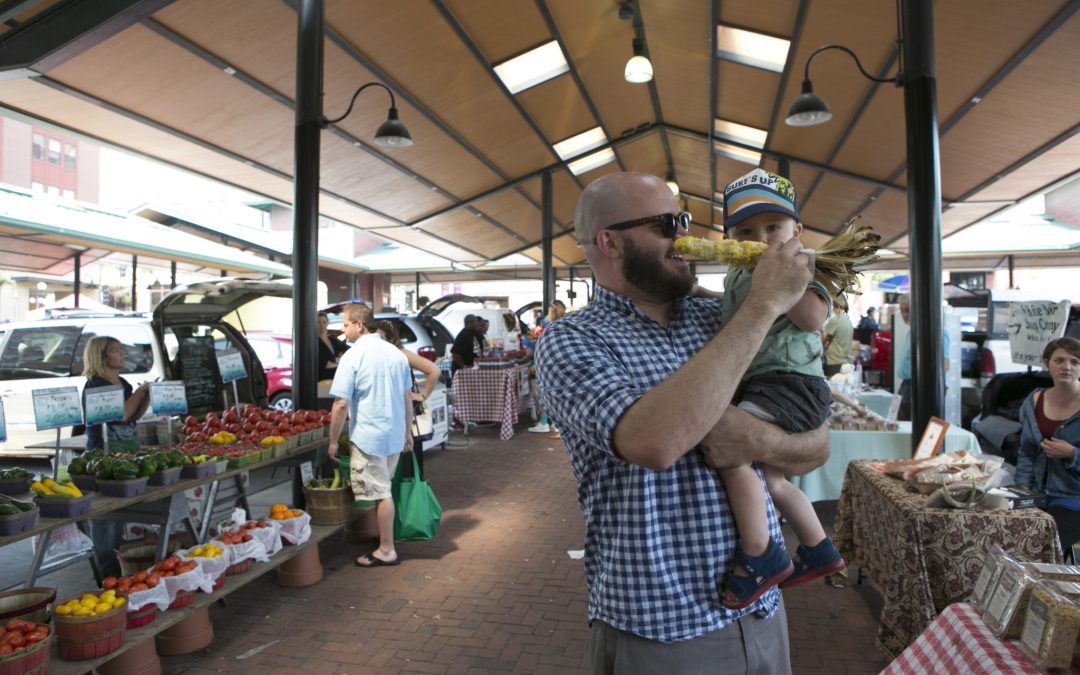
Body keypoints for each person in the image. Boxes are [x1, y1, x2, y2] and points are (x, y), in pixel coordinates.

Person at [534, 171, 829, 672]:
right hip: (661, 625)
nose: (686, 237)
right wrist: (762, 304)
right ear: (610, 241)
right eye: (670, 223)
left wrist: (754, 437)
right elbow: (653, 441)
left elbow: (816, 446)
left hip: (761, 610)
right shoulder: (570, 341)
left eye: (686, 221)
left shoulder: (717, 317)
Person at [713, 168, 844, 609]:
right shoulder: (735, 275)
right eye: (746, 231)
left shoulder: (803, 264)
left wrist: (786, 276)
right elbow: (735, 315)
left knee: (730, 451)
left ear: (798, 232)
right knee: (771, 477)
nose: (762, 238)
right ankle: (818, 547)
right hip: (767, 383)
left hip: (790, 383)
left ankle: (760, 553)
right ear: (730, 237)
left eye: (774, 228)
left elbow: (811, 319)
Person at [327, 303, 414, 567]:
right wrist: (408, 432)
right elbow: (407, 396)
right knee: (383, 488)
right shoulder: (396, 353)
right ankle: (383, 541)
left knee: (382, 491)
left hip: (370, 435)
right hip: (395, 433)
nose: (342, 330)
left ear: (359, 325)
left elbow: (341, 404)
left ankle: (387, 550)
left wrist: (333, 440)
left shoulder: (353, 357)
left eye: (345, 324)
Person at [1014, 336, 1080, 553]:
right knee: (1009, 535)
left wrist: (1072, 453)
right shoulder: (1034, 400)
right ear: (1046, 363)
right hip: (1037, 493)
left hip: (1073, 497)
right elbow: (1027, 452)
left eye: (1075, 362)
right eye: (1059, 360)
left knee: (1040, 545)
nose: (1066, 367)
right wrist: (1021, 491)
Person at [373, 319, 440, 479]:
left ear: (390, 338)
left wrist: (423, 395)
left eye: (381, 338)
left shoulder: (401, 353)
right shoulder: (378, 355)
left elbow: (434, 370)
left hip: (405, 414)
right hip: (390, 415)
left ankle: (407, 498)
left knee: (407, 460)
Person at [82, 336, 151, 453]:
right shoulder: (97, 385)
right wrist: (140, 391)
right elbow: (122, 415)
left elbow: (135, 415)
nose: (122, 353)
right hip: (105, 451)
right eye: (115, 350)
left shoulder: (123, 382)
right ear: (101, 357)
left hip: (128, 446)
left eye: (121, 349)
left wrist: (148, 393)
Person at [896, 293, 950, 421]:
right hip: (907, 384)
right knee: (902, 420)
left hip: (922, 386)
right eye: (902, 311)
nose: (904, 315)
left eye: (908, 310)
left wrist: (925, 388)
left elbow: (944, 364)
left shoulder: (937, 331)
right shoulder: (912, 331)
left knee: (914, 423)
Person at [821, 298, 854, 378]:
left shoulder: (836, 320)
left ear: (837, 307)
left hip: (833, 360)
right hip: (843, 359)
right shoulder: (848, 321)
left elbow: (823, 338)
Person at [317, 310, 348, 381]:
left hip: (336, 380)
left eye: (324, 322)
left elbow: (347, 350)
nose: (322, 325)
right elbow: (326, 364)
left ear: (327, 323)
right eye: (319, 322)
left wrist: (340, 357)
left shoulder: (333, 340)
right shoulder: (315, 343)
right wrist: (338, 361)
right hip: (323, 381)